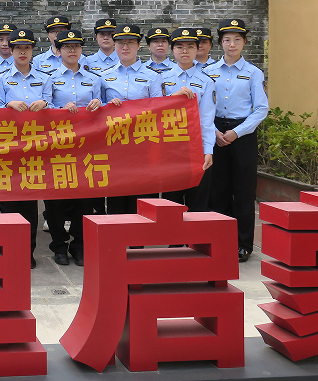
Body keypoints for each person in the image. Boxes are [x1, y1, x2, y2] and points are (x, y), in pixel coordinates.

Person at [205, 19, 269, 263]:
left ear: (244, 42)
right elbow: (203, 106)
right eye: (227, 40)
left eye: (237, 40)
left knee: (243, 190)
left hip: (242, 134)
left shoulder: (253, 73)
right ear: (220, 43)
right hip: (215, 131)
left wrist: (237, 132)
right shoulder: (209, 71)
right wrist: (214, 131)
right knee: (217, 189)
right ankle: (219, 240)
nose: (232, 44)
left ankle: (243, 244)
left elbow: (261, 108)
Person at [0, 28, 54, 268]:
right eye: (18, 48)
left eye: (27, 48)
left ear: (32, 51)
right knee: (8, 201)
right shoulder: (0, 78)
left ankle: (27, 251)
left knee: (29, 201)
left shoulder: (45, 78)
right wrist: (8, 104)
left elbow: (55, 106)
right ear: (11, 50)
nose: (22, 52)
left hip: (34, 148)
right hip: (8, 147)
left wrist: (45, 103)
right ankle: (10, 249)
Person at [43, 30, 102, 267]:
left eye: (76, 46)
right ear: (58, 51)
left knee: (84, 199)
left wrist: (100, 104)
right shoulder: (48, 78)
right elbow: (44, 106)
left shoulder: (94, 79)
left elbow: (104, 109)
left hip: (86, 146)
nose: (72, 50)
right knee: (56, 199)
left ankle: (80, 246)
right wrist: (59, 110)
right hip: (58, 145)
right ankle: (59, 245)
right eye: (66, 47)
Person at [101, 24, 159, 215]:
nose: (125, 47)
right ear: (114, 46)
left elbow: (159, 109)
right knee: (117, 193)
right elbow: (98, 109)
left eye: (130, 43)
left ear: (139, 45)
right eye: (120, 43)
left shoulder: (152, 76)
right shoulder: (104, 77)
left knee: (143, 193)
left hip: (143, 141)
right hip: (115, 141)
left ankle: (142, 233)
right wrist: (108, 106)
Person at [158, 28, 216, 211]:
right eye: (179, 47)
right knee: (171, 202)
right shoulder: (160, 78)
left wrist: (208, 150)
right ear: (172, 50)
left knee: (198, 201)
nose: (185, 51)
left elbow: (207, 119)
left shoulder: (206, 81)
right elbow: (153, 112)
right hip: (170, 145)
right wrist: (173, 98)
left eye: (190, 46)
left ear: (197, 49)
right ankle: (172, 232)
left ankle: (195, 232)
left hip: (195, 147)